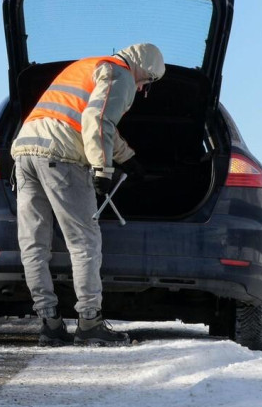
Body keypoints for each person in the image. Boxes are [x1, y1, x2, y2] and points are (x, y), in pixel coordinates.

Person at [10, 43, 165, 346]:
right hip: (61, 158)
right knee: (83, 242)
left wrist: (128, 158)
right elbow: (97, 121)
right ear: (144, 70)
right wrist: (102, 170)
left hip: (25, 151)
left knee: (33, 243)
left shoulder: (89, 67)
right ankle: (90, 322)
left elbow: (87, 117)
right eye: (147, 83)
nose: (143, 89)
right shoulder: (120, 74)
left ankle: (49, 322)